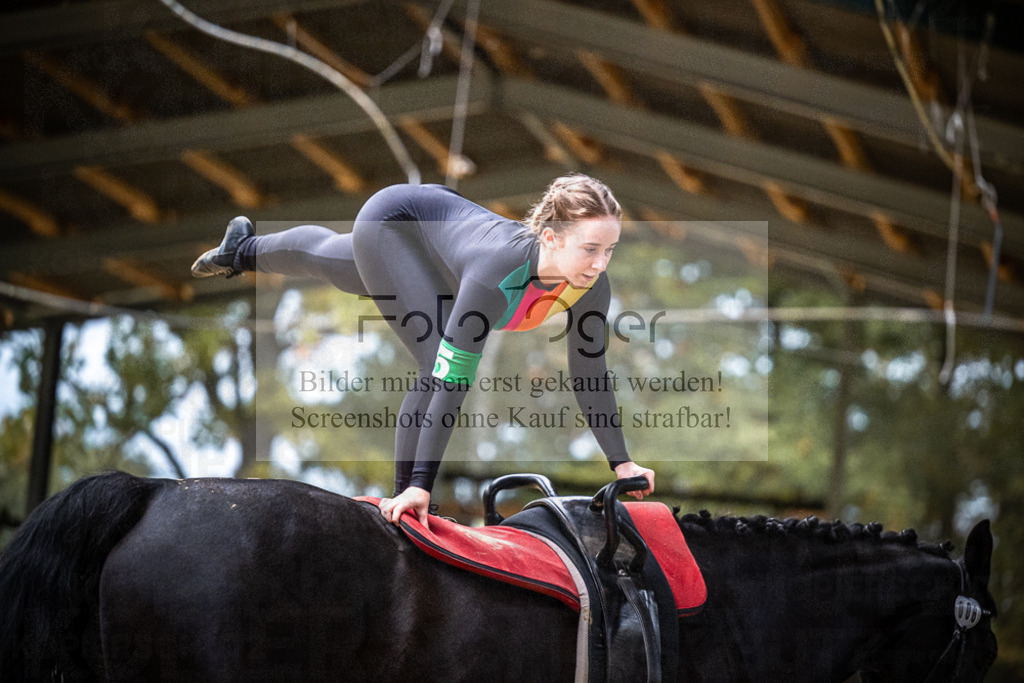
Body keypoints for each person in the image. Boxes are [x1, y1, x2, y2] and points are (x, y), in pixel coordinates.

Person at [192, 174, 655, 526]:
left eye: (610, 249)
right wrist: (418, 488)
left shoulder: (591, 287)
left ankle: (242, 249)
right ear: (551, 237)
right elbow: (447, 379)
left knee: (338, 260)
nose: (600, 263)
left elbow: (589, 371)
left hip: (438, 240)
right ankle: (401, 501)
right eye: (591, 248)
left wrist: (622, 461)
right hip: (395, 219)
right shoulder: (497, 274)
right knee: (433, 359)